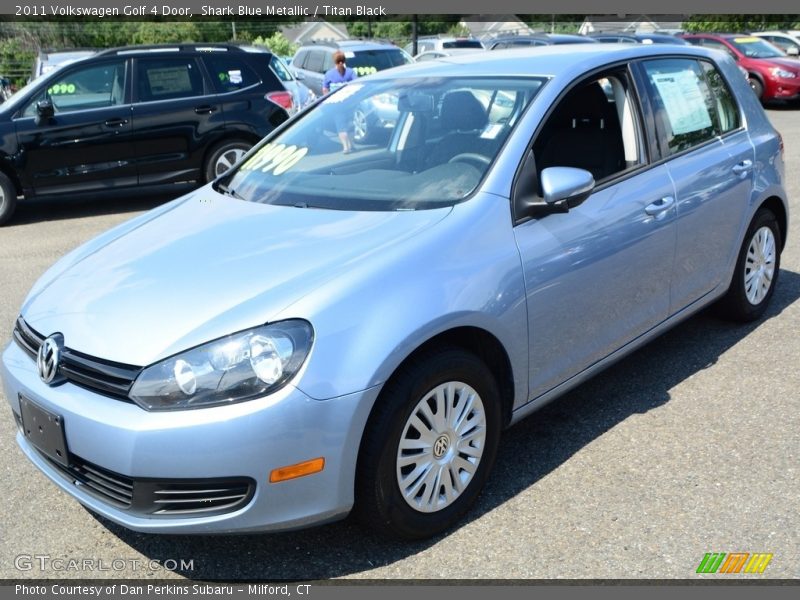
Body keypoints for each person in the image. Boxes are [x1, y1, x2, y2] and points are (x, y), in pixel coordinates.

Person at [323, 50, 357, 153]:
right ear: (335, 62)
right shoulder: (330, 74)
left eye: (342, 61)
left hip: (349, 103)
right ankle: (346, 147)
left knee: (350, 124)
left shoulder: (350, 73)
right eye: (339, 62)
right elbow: (325, 89)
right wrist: (329, 101)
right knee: (341, 125)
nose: (341, 63)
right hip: (337, 104)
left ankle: (350, 145)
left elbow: (357, 85)